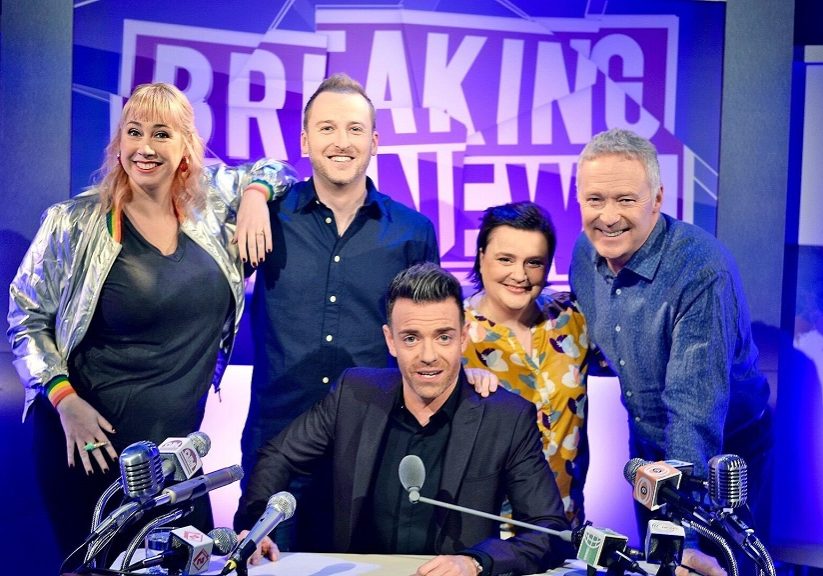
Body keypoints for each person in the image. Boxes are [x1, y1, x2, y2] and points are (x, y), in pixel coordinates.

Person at [6, 82, 296, 563]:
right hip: (90, 455)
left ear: (186, 146)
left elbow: (278, 170)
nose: (144, 147)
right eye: (133, 132)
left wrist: (255, 196)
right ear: (118, 142)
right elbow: (26, 317)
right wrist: (63, 398)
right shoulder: (73, 222)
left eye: (161, 134)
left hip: (178, 464)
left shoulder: (212, 211)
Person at [234, 263, 574, 576]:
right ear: (390, 340)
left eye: (443, 336)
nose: (428, 356)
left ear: (463, 337)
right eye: (411, 338)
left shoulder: (505, 416)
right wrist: (258, 525)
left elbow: (550, 531)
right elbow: (277, 455)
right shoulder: (355, 393)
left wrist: (476, 562)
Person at [237, 73, 440, 550]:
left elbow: (433, 338)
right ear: (305, 140)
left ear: (374, 142)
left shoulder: (412, 230)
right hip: (277, 447)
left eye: (354, 130)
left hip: (377, 447)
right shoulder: (269, 214)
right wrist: (254, 192)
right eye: (326, 129)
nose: (341, 142)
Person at [569, 128, 771, 568]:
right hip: (647, 443)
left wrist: (691, 542)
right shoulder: (584, 255)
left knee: (710, 567)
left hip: (721, 455)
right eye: (594, 199)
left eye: (626, 199)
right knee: (659, 564)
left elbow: (694, 410)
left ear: (657, 200)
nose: (608, 216)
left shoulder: (700, 268)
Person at [462, 201, 589, 526]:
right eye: (506, 259)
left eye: (534, 263)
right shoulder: (453, 334)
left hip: (566, 530)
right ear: (481, 258)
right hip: (486, 540)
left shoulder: (570, 317)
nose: (520, 275)